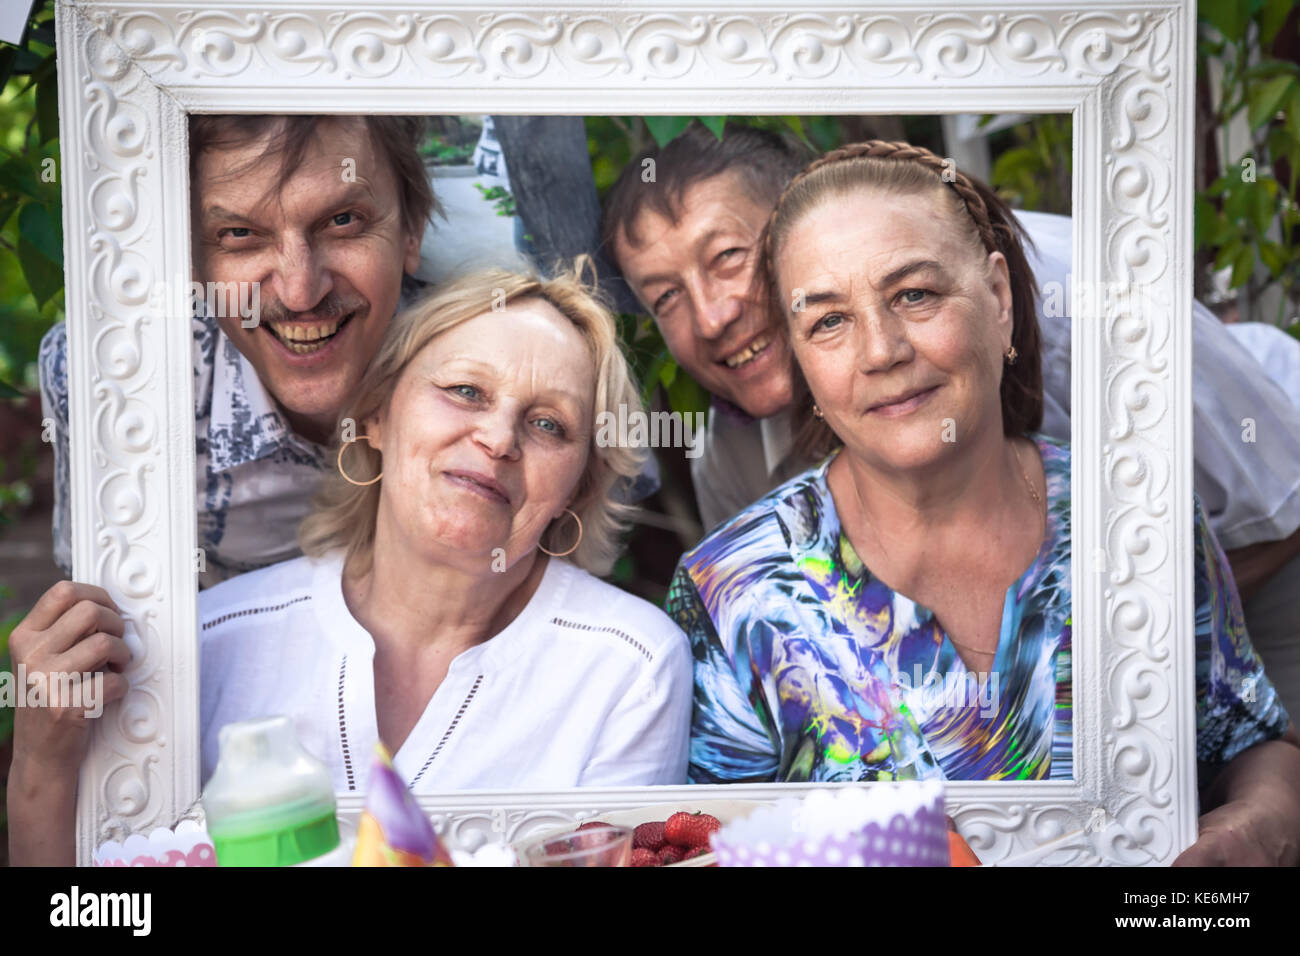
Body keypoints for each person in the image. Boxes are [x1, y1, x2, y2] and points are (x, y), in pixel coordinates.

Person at [665, 141, 1300, 865]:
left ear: (998, 299)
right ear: (801, 358)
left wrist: (1260, 822)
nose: (881, 350)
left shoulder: (1134, 512)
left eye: (915, 295)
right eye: (828, 321)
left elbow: (1249, 741)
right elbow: (707, 848)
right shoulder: (732, 590)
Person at [9, 265, 693, 865]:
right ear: (377, 416)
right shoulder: (206, 640)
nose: (497, 438)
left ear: (577, 485)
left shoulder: (629, 667)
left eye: (549, 425)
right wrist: (43, 758)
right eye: (465, 392)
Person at [40, 114, 439, 589]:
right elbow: (110, 602)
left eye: (342, 221)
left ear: (411, 230)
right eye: (240, 234)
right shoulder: (105, 380)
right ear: (187, 258)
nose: (300, 292)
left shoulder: (493, 361)